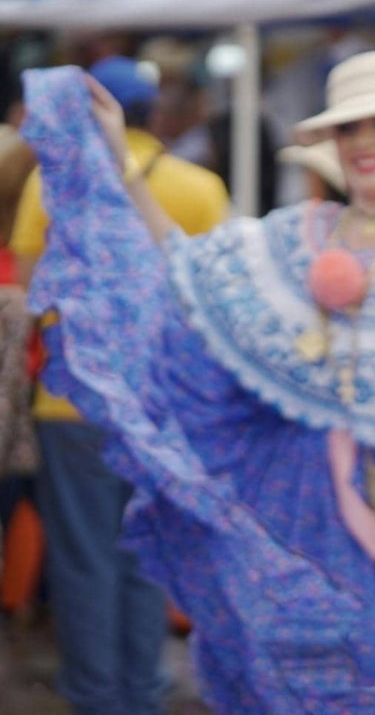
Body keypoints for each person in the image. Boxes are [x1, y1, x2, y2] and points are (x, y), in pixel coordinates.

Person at [20, 50, 375, 712]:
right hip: (296, 504)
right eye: (351, 128)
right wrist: (122, 164)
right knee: (290, 676)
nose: (367, 142)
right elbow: (189, 269)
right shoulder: (299, 235)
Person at [10, 55, 228, 715]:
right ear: (155, 113)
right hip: (163, 405)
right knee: (144, 558)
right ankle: (143, 695)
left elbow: (25, 284)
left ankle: (96, 700)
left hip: (69, 401)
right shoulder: (198, 186)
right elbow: (213, 300)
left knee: (83, 561)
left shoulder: (51, 183)